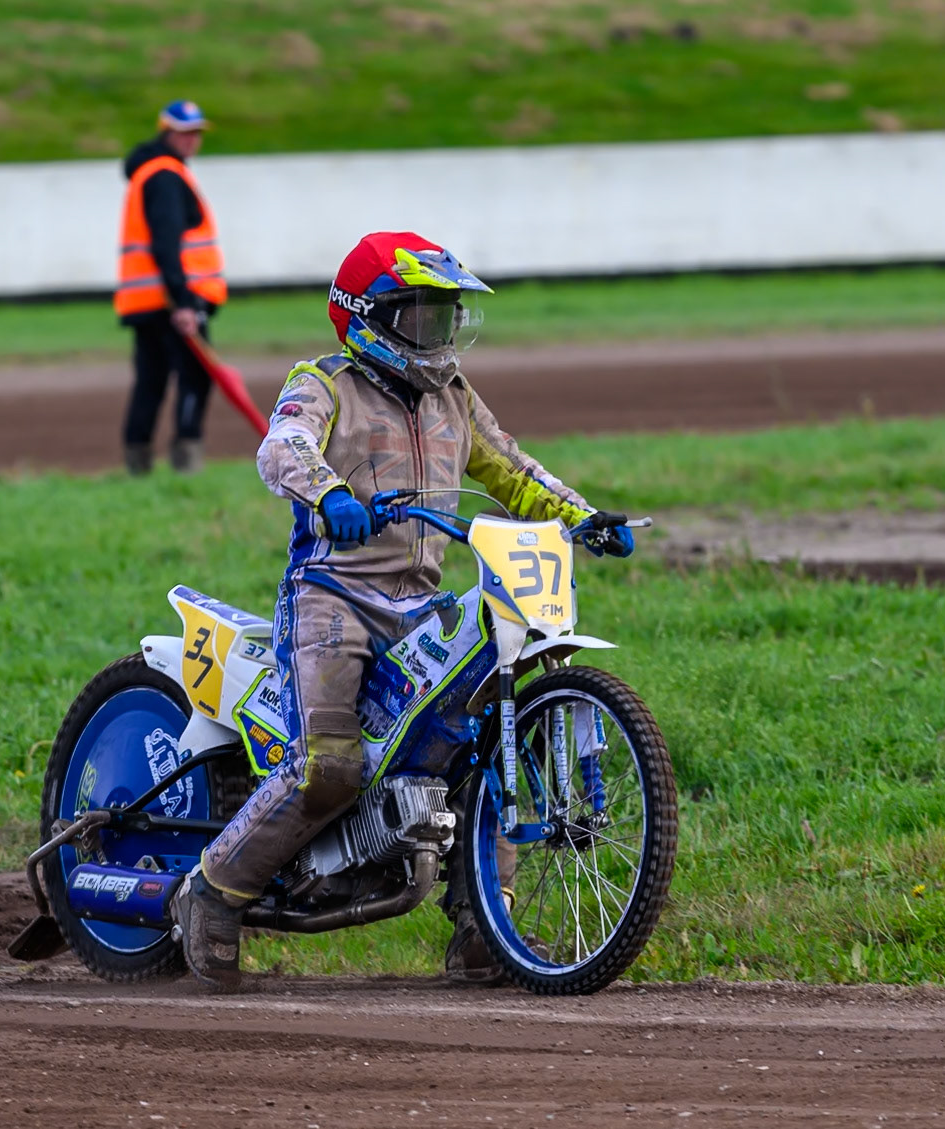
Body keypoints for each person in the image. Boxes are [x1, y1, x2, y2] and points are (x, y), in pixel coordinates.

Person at [171, 232, 634, 991]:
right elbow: (282, 446)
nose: (437, 333)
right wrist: (330, 494)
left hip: (421, 606)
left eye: (445, 316)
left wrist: (583, 517)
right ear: (368, 316)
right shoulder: (325, 382)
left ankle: (484, 923)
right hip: (333, 596)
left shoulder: (454, 396)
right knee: (329, 765)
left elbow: (514, 471)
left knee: (484, 742)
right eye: (420, 315)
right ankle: (213, 894)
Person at [114, 100, 226, 475]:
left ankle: (137, 464)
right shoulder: (165, 175)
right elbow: (166, 243)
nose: (192, 139)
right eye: (184, 132)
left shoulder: (148, 172)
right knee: (196, 377)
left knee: (151, 382)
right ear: (166, 132)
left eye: (196, 132)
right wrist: (183, 302)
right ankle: (187, 461)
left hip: (146, 301)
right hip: (172, 301)